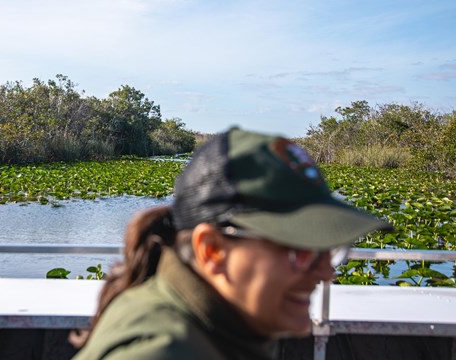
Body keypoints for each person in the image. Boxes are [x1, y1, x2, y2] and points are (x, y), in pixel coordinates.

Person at [73, 127, 392, 360]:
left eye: (328, 249)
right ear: (212, 250)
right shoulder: (159, 351)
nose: (326, 272)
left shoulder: (227, 322)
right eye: (299, 249)